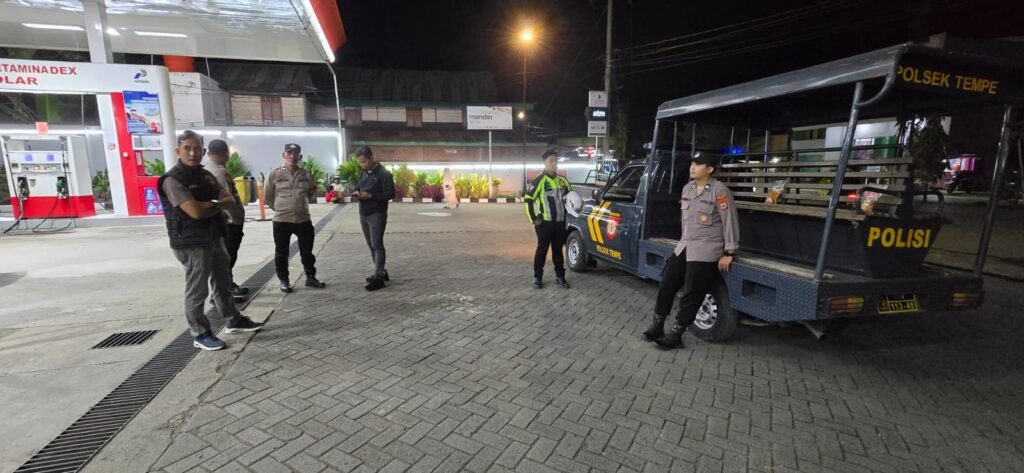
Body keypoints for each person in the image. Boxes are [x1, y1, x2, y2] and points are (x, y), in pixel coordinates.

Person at [158, 130, 263, 351]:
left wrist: (209, 205)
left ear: (204, 151)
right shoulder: (172, 180)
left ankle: (233, 319)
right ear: (178, 151)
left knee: (223, 280)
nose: (193, 153)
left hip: (214, 235)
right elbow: (195, 212)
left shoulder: (205, 176)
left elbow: (228, 200)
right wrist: (214, 205)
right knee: (197, 289)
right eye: (187, 148)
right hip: (191, 242)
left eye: (197, 149)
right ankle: (200, 333)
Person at [643, 151, 739, 350]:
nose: (692, 167)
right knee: (667, 282)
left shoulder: (720, 191)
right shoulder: (687, 189)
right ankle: (657, 324)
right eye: (692, 163)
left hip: (706, 248)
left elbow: (730, 221)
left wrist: (729, 252)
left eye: (698, 164)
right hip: (685, 245)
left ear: (710, 169)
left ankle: (677, 333)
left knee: (692, 290)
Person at [264, 143, 327, 293]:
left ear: (300, 156)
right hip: (281, 220)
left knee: (307, 251)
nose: (292, 156)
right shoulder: (274, 174)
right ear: (283, 155)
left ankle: (310, 277)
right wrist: (281, 208)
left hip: (303, 219)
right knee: (282, 253)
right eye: (289, 153)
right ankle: (284, 280)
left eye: (295, 153)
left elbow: (310, 194)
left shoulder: (306, 175)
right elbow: (268, 196)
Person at [204, 139, 248, 299]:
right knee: (227, 257)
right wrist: (237, 220)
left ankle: (227, 285)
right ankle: (223, 291)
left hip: (220, 221)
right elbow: (228, 200)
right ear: (226, 154)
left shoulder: (208, 170)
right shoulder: (219, 173)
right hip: (228, 222)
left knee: (225, 257)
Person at [524, 148, 572, 289]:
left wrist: (571, 215)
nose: (554, 163)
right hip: (544, 223)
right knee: (542, 251)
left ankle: (560, 277)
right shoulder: (538, 180)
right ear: (544, 162)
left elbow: (571, 199)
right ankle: (537, 277)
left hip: (560, 223)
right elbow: (528, 199)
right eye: (551, 160)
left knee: (558, 252)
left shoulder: (563, 181)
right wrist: (533, 218)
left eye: (556, 161)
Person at [352, 146, 395, 291]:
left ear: (371, 157)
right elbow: (358, 185)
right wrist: (356, 191)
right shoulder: (364, 172)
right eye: (360, 162)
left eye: (364, 161)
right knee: (370, 244)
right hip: (363, 212)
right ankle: (380, 271)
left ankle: (379, 278)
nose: (362, 165)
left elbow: (390, 194)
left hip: (377, 213)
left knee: (377, 244)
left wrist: (371, 196)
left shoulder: (384, 174)